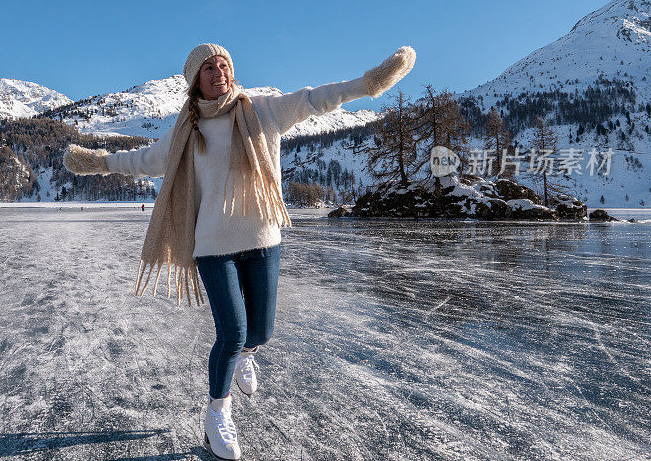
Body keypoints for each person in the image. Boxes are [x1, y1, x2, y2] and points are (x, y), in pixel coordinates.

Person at [63, 43, 415, 460]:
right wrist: (99, 162)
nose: (219, 72)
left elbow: (318, 98)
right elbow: (140, 161)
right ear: (195, 80)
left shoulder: (263, 111)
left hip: (263, 239)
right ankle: (217, 415)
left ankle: (249, 353)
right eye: (209, 68)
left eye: (224, 65)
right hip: (213, 247)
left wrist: (369, 83)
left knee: (259, 332)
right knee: (231, 333)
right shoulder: (185, 133)